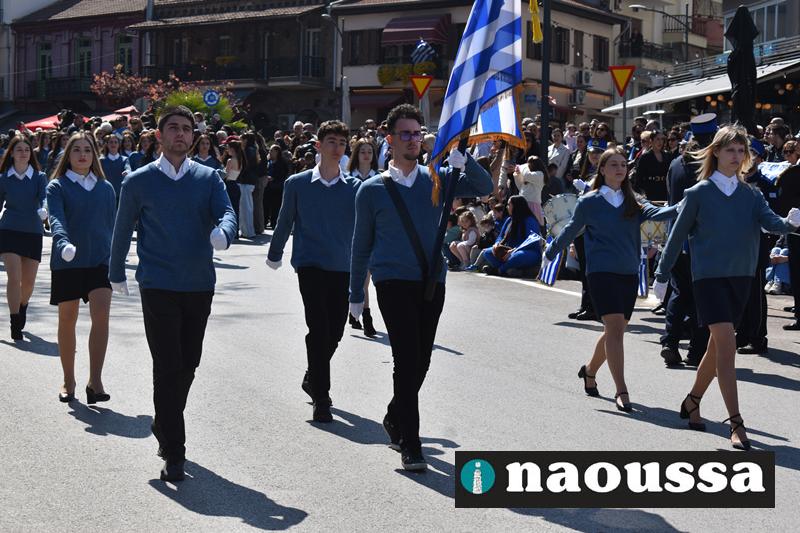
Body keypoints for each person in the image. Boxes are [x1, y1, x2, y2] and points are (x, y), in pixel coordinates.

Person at [349, 104, 492, 471]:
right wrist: (355, 294)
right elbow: (361, 245)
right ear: (390, 139)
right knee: (405, 359)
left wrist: (464, 160)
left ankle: (395, 413)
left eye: (417, 133)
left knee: (422, 361)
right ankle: (411, 444)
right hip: (392, 281)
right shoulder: (370, 190)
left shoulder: (438, 178)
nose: (413, 140)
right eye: (406, 134)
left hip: (431, 280)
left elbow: (485, 187)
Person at [109, 105, 237, 482]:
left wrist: (225, 232)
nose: (181, 134)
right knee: (167, 364)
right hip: (158, 284)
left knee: (188, 363)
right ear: (159, 136)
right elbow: (122, 229)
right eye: (174, 128)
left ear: (193, 137)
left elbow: (227, 213)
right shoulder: (138, 181)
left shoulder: (208, 178)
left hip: (199, 284)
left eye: (186, 129)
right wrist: (115, 273)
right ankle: (174, 450)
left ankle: (163, 420)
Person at [653, 125, 800, 450]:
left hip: (741, 279)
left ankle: (693, 400)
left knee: (717, 348)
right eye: (730, 149)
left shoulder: (752, 195)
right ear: (716, 152)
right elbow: (676, 237)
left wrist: (790, 223)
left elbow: (771, 223)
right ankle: (736, 422)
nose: (736, 155)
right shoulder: (698, 194)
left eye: (740, 150)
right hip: (708, 280)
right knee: (727, 345)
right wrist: (661, 276)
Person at [543, 148, 678, 412]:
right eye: (614, 164)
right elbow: (571, 230)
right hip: (601, 273)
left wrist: (686, 204)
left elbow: (658, 213)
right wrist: (551, 252)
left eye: (623, 165)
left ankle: (589, 370)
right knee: (615, 329)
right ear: (602, 169)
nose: (620, 169)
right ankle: (621, 390)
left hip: (628, 272)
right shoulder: (589, 201)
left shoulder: (634, 200)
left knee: (614, 332)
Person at [265, 120, 361, 424]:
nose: (337, 148)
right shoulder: (297, 183)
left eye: (342, 143)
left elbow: (366, 229)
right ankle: (322, 397)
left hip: (342, 265)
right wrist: (275, 253)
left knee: (335, 331)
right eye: (331, 142)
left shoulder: (355, 188)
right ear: (318, 145)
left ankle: (312, 374)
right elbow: (285, 221)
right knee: (319, 328)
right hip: (310, 264)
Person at [47, 132, 116, 405]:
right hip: (67, 261)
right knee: (68, 318)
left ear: (94, 154)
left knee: (101, 315)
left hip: (99, 261)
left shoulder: (106, 188)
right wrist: (63, 243)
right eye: (76, 150)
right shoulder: (57, 186)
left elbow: (112, 225)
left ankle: (95, 381)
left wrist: (116, 259)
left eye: (87, 149)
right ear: (68, 155)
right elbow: (56, 219)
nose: (83, 154)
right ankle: (69, 379)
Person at [658, 114, 716, 367]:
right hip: (703, 241)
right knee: (702, 297)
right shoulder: (710, 165)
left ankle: (670, 342)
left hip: (677, 239)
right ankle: (696, 350)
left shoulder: (675, 164)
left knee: (679, 293)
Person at [0, 136, 48, 340]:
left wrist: (45, 209)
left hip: (33, 231)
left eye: (27, 150)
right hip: (9, 230)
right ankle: (14, 322)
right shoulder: (3, 178)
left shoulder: (39, 177)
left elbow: (44, 197)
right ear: (11, 153)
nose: (23, 153)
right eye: (19, 150)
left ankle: (23, 305)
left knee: (28, 284)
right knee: (14, 277)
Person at [346, 138, 380, 337]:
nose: (366, 155)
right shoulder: (347, 179)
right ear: (356, 155)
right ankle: (357, 311)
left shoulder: (381, 179)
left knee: (365, 279)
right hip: (351, 233)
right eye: (362, 151)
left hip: (374, 234)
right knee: (356, 277)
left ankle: (365, 316)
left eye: (370, 151)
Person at [479, 196, 542, 277]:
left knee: (518, 256)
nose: (507, 207)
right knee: (487, 252)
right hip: (508, 250)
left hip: (527, 251)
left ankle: (499, 270)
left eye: (509, 205)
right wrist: (496, 244)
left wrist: (513, 250)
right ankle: (509, 270)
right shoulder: (509, 220)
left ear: (516, 206)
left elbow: (531, 241)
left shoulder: (530, 220)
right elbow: (501, 236)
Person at [100, 133, 130, 202]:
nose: (113, 144)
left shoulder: (125, 159)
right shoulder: (102, 160)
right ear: (107, 145)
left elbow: (128, 168)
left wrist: (127, 171)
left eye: (115, 142)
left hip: (121, 194)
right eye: (111, 142)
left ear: (119, 145)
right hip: (106, 193)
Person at [264, 144, 289, 229]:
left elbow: (284, 174)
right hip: (267, 186)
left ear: (277, 152)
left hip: (277, 187)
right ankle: (265, 221)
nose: (270, 152)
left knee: (276, 206)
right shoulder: (268, 161)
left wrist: (274, 178)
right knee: (266, 204)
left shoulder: (282, 163)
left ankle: (274, 223)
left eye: (272, 151)